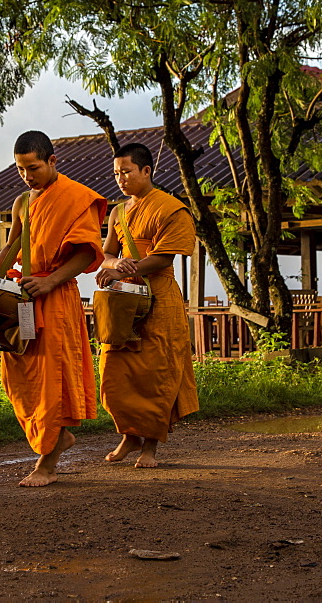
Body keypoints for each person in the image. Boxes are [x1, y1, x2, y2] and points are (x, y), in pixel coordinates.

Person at [0, 130, 106, 487]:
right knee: (18, 374)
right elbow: (13, 245)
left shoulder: (75, 197)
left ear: (52, 161)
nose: (27, 176)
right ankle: (57, 438)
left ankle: (47, 463)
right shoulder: (23, 201)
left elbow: (87, 252)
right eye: (21, 169)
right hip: (23, 296)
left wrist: (50, 281)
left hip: (55, 295)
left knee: (53, 378)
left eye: (33, 168)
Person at [95, 142, 199, 468]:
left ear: (145, 171)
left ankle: (150, 446)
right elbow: (108, 252)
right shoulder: (117, 212)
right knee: (113, 370)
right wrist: (114, 267)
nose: (121, 179)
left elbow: (165, 255)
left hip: (159, 298)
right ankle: (129, 434)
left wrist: (131, 267)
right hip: (125, 300)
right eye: (116, 173)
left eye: (126, 172)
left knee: (156, 372)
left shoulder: (171, 208)